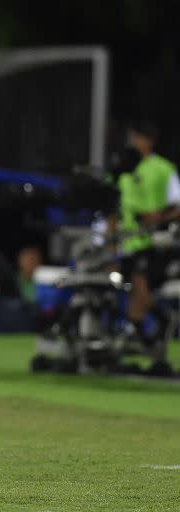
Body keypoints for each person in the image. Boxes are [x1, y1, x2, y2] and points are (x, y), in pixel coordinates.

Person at [114, 122, 180, 374]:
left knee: (140, 281)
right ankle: (140, 331)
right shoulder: (125, 169)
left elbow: (177, 205)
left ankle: (147, 323)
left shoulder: (163, 169)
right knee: (124, 287)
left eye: (138, 137)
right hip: (129, 242)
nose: (133, 142)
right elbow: (115, 205)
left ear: (149, 141)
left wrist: (158, 217)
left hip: (157, 243)